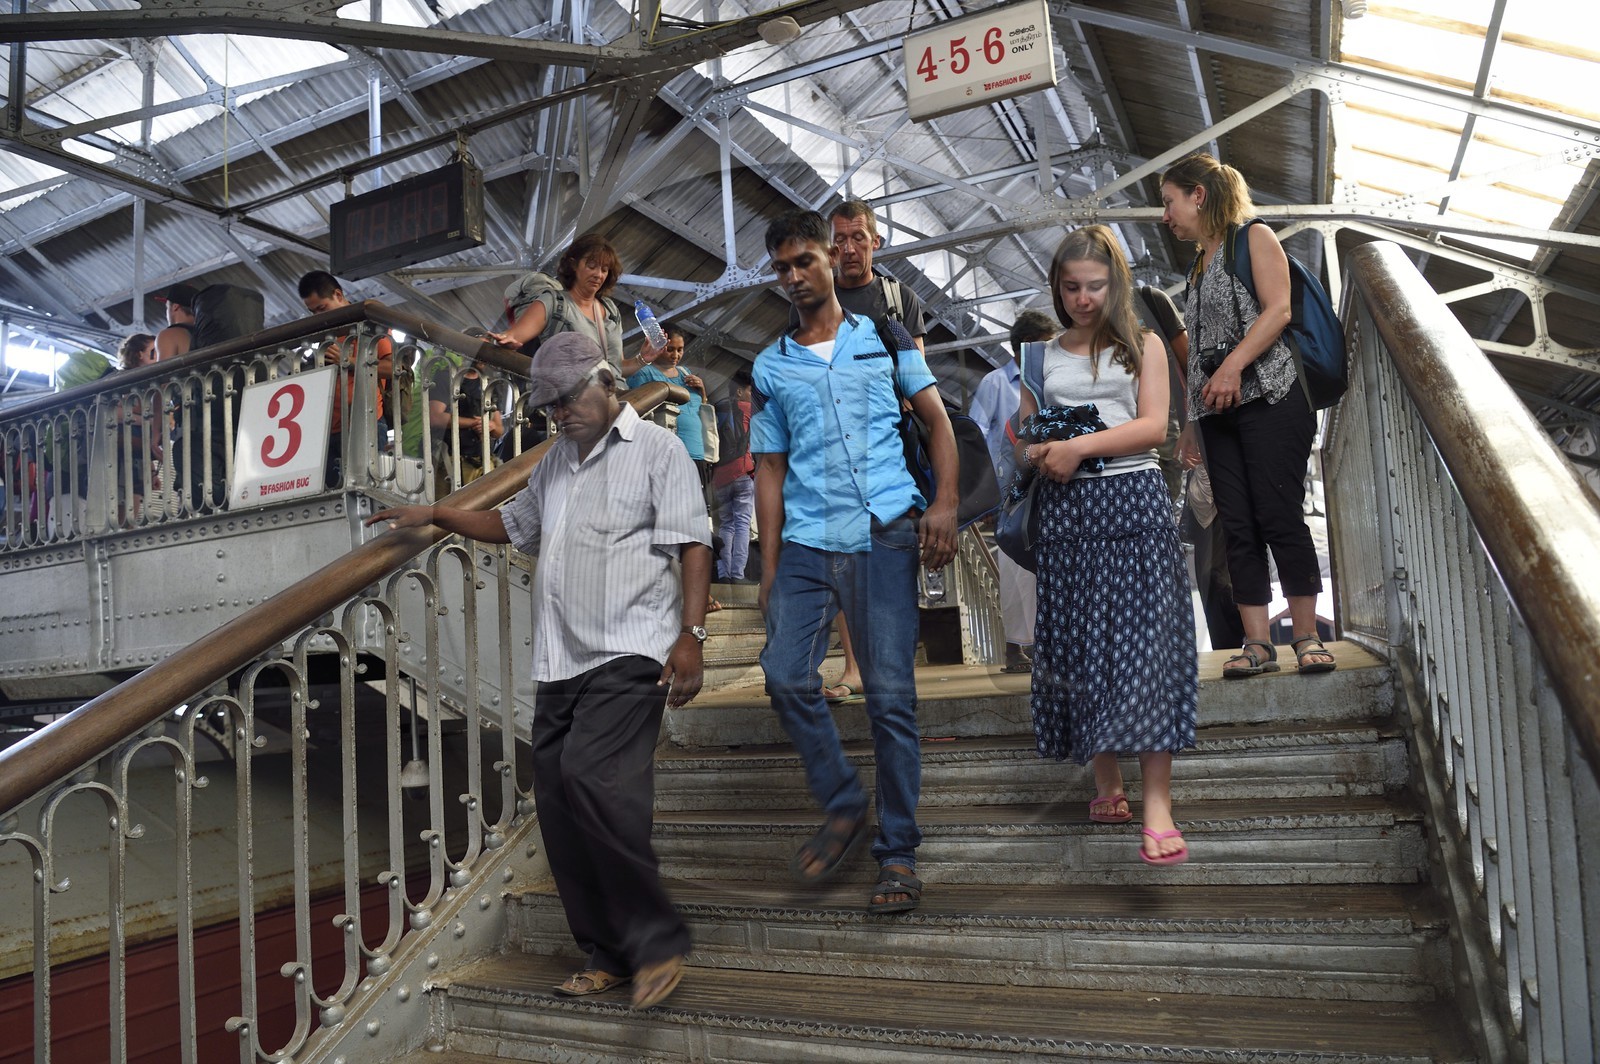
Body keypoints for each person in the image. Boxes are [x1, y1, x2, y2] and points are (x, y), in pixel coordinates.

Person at [366, 332, 711, 1011]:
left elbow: (694, 541)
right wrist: (440, 512)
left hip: (630, 649)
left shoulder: (659, 453)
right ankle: (607, 951)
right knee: (558, 806)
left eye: (567, 399)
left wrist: (692, 636)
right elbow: (514, 526)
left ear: (608, 383)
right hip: (560, 661)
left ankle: (659, 938)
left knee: (596, 784)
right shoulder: (556, 462)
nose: (558, 413)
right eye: (548, 404)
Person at [752, 208, 958, 913]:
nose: (794, 276)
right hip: (810, 540)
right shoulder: (770, 364)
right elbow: (770, 471)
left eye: (803, 260)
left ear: (830, 260)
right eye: (781, 268)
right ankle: (844, 800)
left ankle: (897, 855)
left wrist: (946, 505)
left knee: (892, 699)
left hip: (886, 530)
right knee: (783, 673)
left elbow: (935, 421)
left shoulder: (884, 337)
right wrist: (770, 566)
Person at [1018, 225, 1198, 866]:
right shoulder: (1039, 356)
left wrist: (1077, 446)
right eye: (1071, 287)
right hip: (1068, 514)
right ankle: (1106, 782)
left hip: (1135, 503)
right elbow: (1028, 432)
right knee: (1085, 645)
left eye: (1096, 285)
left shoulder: (1143, 345)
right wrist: (1040, 448)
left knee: (1147, 650)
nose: (1083, 298)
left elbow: (1153, 426)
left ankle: (1158, 806)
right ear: (1056, 286)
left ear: (1115, 283)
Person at [1160, 152, 1336, 677]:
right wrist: (1192, 420)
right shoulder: (1198, 265)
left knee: (1278, 511)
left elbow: (1278, 310)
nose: (1166, 216)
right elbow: (1198, 355)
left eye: (1170, 202)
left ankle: (1305, 635)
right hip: (1218, 412)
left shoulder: (1253, 237)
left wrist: (1235, 367)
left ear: (1199, 195)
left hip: (1273, 397)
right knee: (1236, 524)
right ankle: (1258, 643)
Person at [969, 309, 1058, 673]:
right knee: (1013, 563)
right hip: (1011, 490)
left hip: (1050, 484)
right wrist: (986, 492)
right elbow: (975, 435)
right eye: (1045, 342)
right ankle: (1016, 645)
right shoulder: (995, 383)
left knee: (1041, 566)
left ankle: (1043, 642)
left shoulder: (1052, 379)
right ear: (1023, 348)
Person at [491, 233, 661, 375]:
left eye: (604, 269)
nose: (598, 275)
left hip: (613, 401)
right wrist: (502, 342)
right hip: (574, 405)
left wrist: (642, 359)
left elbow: (615, 368)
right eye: (591, 266)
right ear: (573, 265)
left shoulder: (610, 310)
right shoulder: (554, 302)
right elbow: (513, 335)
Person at [299, 271, 396, 487]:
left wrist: (349, 360)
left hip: (363, 422)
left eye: (321, 308)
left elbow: (393, 367)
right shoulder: (326, 334)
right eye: (312, 312)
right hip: (327, 427)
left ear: (338, 294)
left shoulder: (369, 323)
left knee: (364, 491)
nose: (318, 316)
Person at [428, 359, 504, 496]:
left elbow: (499, 430)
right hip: (449, 461)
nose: (483, 357)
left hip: (482, 461)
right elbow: (435, 417)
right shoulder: (447, 376)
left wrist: (491, 425)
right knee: (447, 510)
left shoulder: (490, 382)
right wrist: (474, 423)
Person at [710, 367, 756, 582]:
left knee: (726, 525)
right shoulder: (748, 408)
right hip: (742, 472)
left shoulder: (716, 408)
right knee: (742, 524)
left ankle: (724, 573)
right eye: (749, 390)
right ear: (739, 392)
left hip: (720, 476)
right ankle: (738, 574)